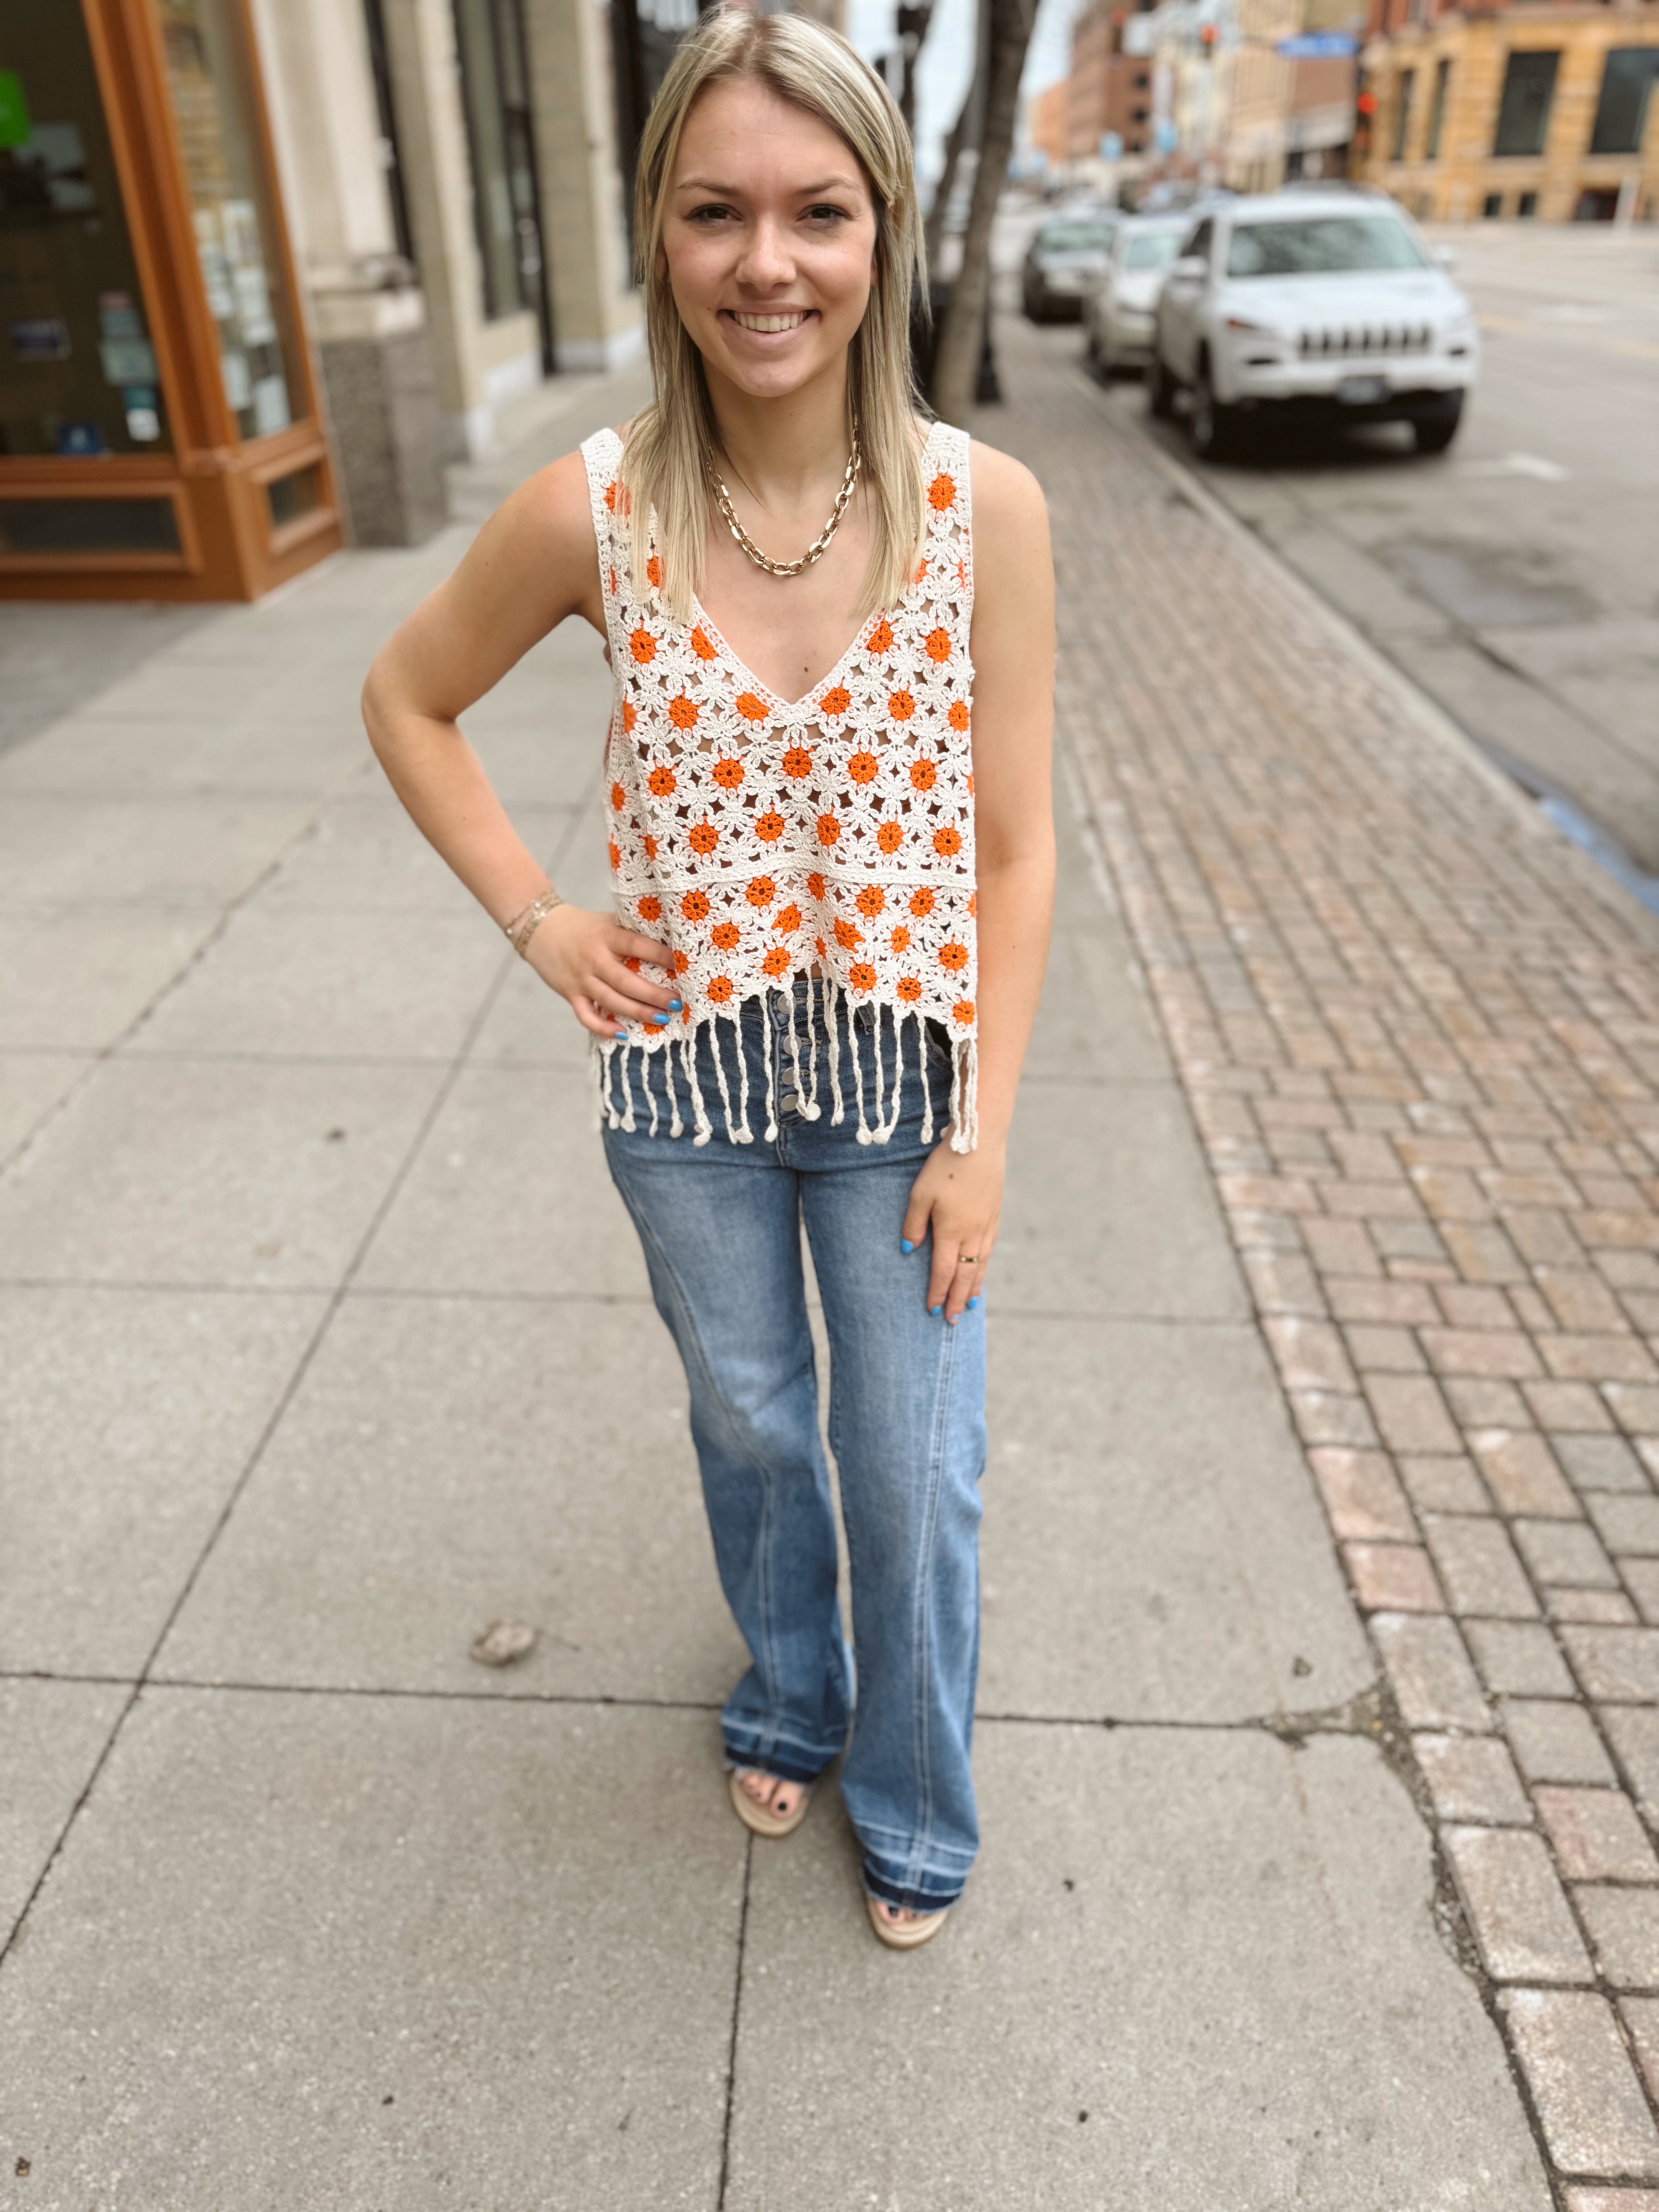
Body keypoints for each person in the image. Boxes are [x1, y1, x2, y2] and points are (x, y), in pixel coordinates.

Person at [362, 5, 1053, 1949]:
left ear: (881, 230)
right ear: (663, 237)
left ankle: (916, 1788)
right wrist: (540, 918)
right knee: (754, 1427)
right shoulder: (596, 510)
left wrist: (986, 1131)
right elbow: (406, 696)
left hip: (910, 1091)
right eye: (718, 212)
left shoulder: (979, 508)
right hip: (687, 1094)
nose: (770, 262)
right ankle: (791, 1690)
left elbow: (1015, 848)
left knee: (914, 1467)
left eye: (818, 212)